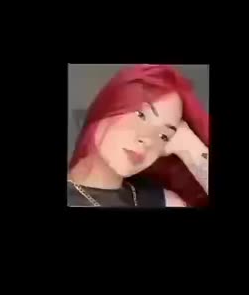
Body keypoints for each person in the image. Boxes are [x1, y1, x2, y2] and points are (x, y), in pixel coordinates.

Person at [67, 64, 209, 207]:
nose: (148, 140)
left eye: (163, 136)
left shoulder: (164, 201)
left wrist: (192, 149)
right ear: (108, 105)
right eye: (141, 115)